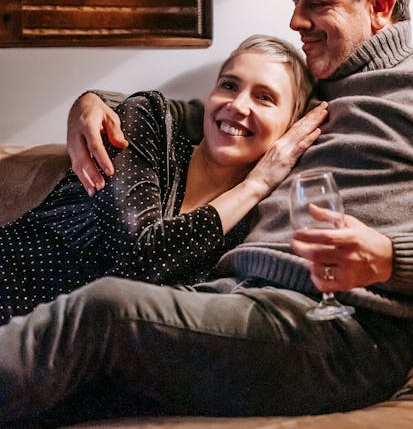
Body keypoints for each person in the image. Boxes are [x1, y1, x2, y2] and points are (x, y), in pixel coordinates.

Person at [0, 0, 413, 426]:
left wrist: (393, 258)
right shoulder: (311, 95)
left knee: (101, 313)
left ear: (380, 6)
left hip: (340, 328)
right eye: (294, 2)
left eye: (315, 2)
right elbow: (215, 120)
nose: (295, 21)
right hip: (234, 301)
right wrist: (93, 102)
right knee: (70, 381)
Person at [0, 35, 326, 325]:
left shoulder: (250, 227)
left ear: (291, 128)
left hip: (76, 364)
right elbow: (135, 259)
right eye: (229, 85)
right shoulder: (148, 123)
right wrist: (255, 185)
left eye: (264, 97)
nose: (238, 105)